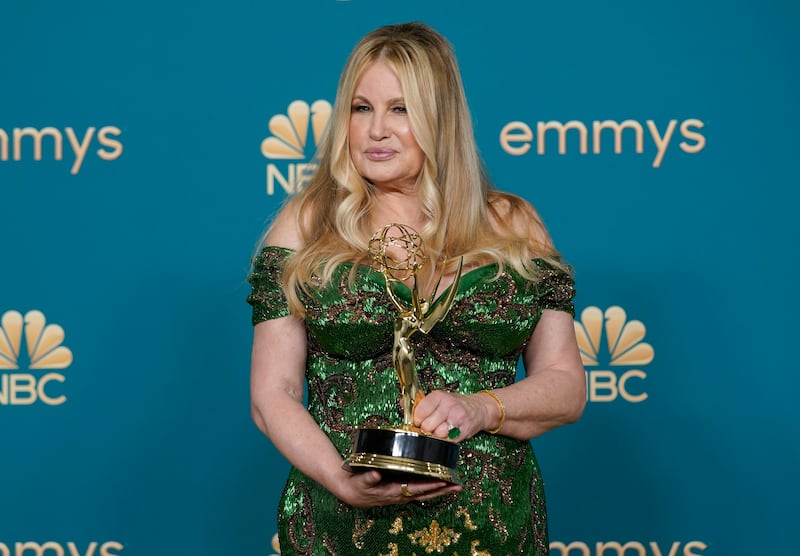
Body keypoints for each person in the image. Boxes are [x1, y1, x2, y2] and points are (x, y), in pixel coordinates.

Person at [247, 21, 586, 555]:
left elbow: (566, 386)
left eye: (400, 109)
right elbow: (273, 395)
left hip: (490, 526)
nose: (376, 130)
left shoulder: (514, 225)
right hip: (343, 524)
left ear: (440, 118)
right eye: (362, 108)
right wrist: (340, 480)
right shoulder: (306, 224)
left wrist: (480, 408)